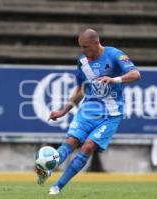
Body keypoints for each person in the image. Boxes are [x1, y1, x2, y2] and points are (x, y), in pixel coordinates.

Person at [35, 28, 141, 195]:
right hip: (88, 110)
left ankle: (57, 186)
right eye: (81, 47)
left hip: (111, 114)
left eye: (86, 47)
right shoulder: (83, 62)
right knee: (71, 141)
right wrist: (64, 110)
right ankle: (48, 167)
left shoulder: (114, 54)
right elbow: (80, 89)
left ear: (97, 43)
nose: (83, 51)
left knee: (87, 147)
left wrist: (114, 79)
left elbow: (135, 74)